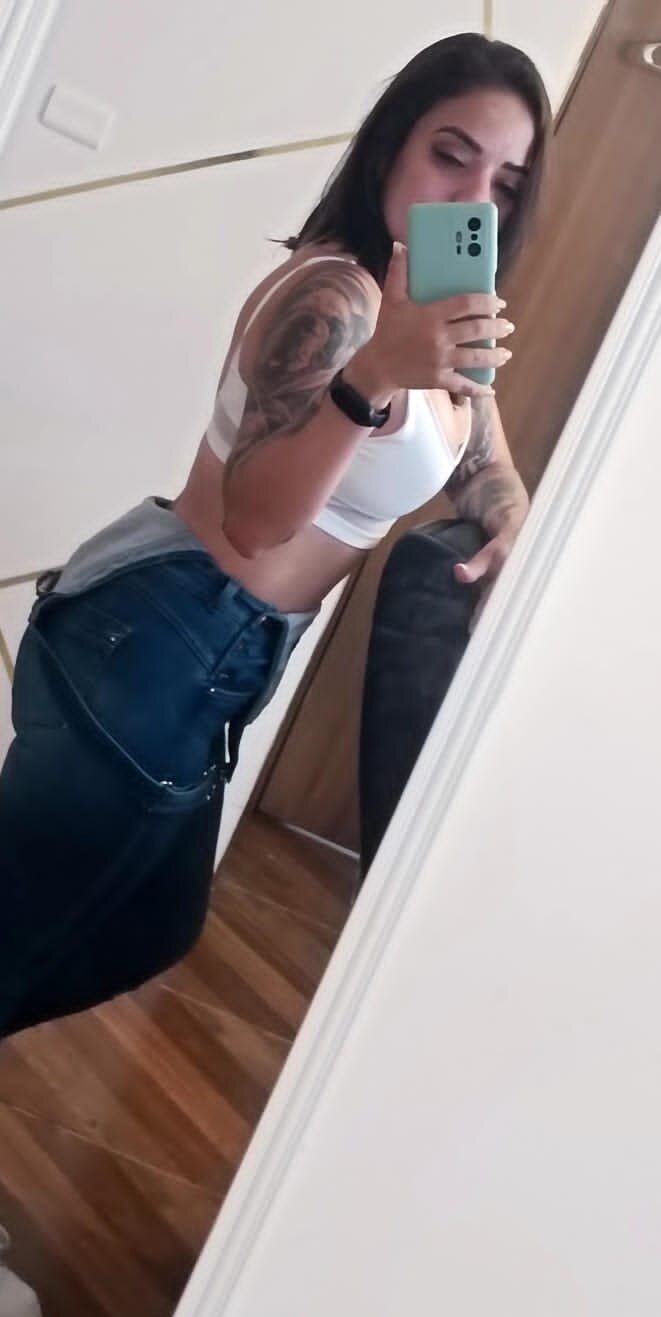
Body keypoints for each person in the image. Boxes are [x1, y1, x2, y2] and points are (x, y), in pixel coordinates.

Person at [0, 32, 552, 1037]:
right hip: (166, 638)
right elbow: (256, 523)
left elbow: (482, 457)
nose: (472, 197)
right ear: (391, 146)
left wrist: (512, 518)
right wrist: (372, 375)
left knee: (149, 927)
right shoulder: (335, 300)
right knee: (26, 938)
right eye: (451, 154)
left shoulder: (435, 315)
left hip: (207, 653)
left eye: (505, 183)